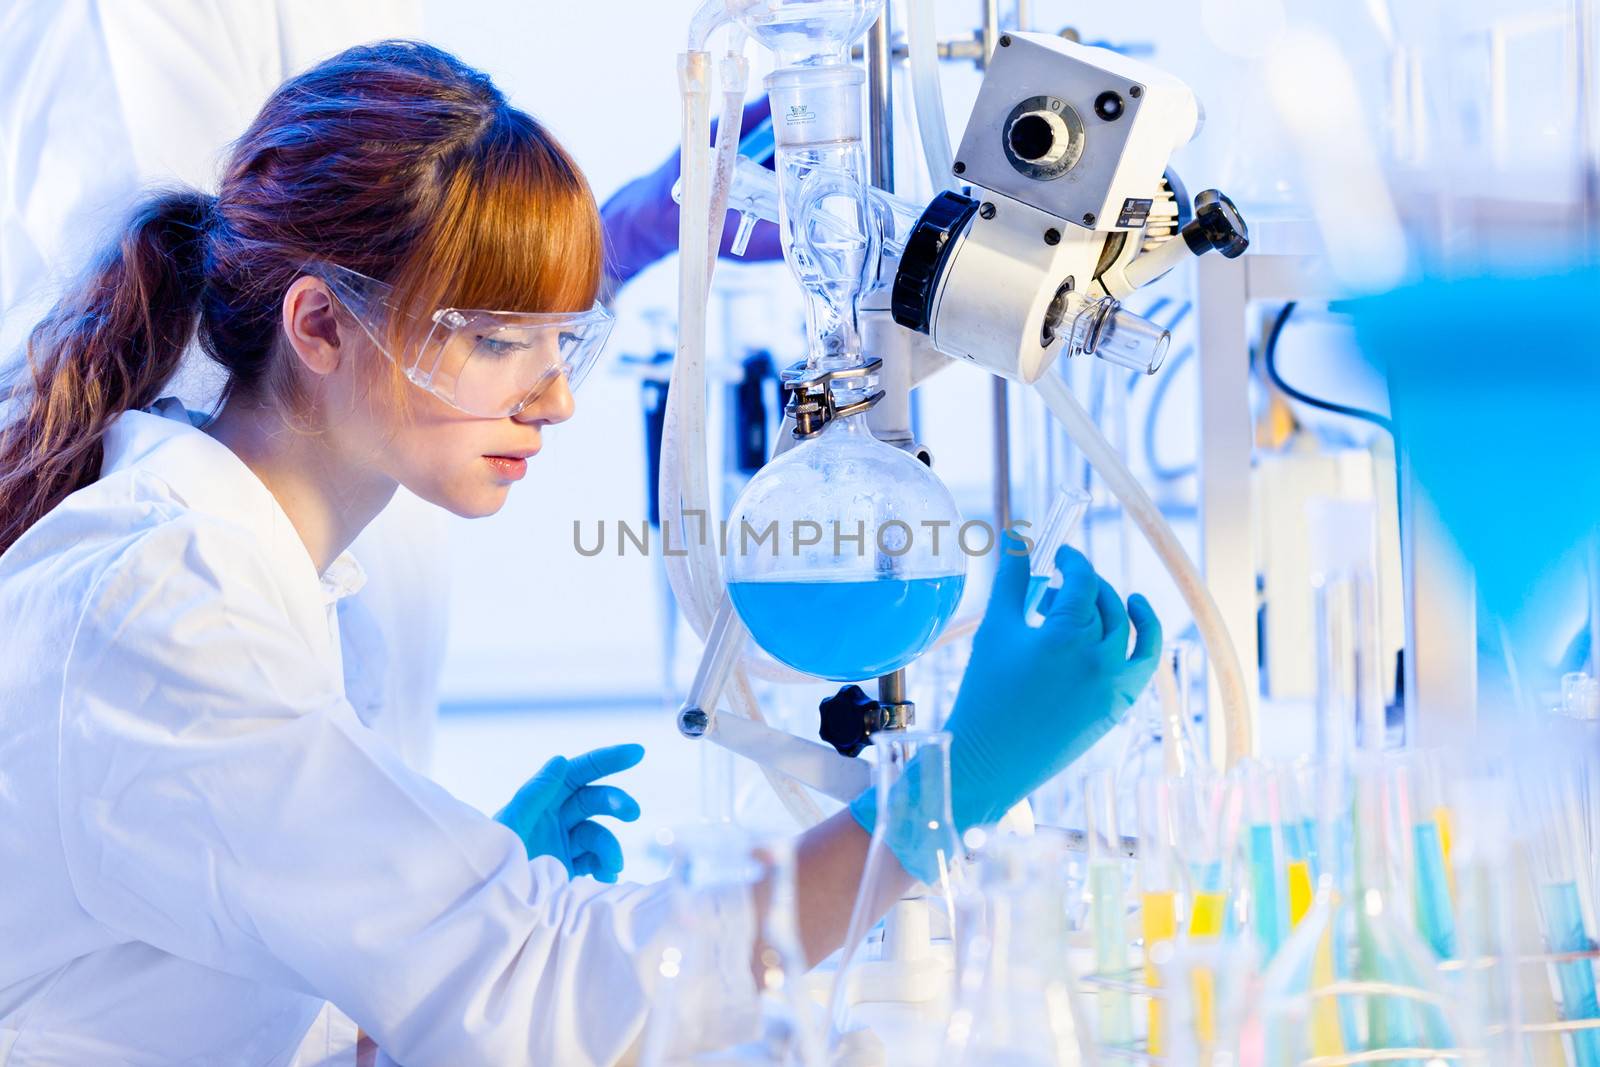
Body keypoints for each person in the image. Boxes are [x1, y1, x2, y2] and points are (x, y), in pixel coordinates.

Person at [0, 41, 1160, 1065]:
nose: (555, 398)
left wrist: (409, 926)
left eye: (571, 340)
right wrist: (950, 792)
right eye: (503, 340)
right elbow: (548, 1000)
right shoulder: (165, 612)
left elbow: (168, 994)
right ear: (315, 327)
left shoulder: (222, 554)